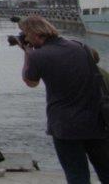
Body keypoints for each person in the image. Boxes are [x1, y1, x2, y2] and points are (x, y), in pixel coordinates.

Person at [20, 15, 109, 183]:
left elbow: (30, 82)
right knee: (106, 171)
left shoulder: (38, 56)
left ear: (35, 34)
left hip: (65, 126)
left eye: (26, 34)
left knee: (77, 175)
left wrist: (27, 54)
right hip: (96, 122)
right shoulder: (81, 47)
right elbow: (94, 60)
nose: (26, 38)